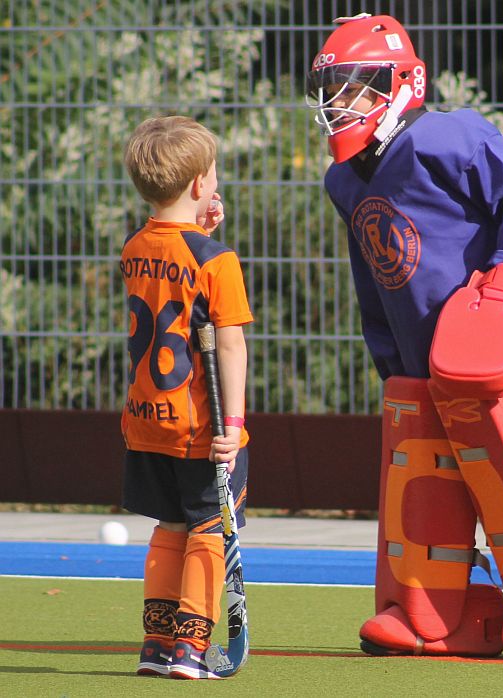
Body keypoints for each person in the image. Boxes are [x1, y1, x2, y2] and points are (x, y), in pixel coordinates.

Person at [306, 13, 503, 658]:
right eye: (332, 91)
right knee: (425, 472)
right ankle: (439, 611)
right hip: (422, 355)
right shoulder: (343, 179)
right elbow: (374, 274)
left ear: (403, 83)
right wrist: (390, 358)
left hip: (492, 347)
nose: (341, 104)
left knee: (499, 466)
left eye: (356, 89)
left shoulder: (448, 137)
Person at [120, 115, 253, 679]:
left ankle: (157, 643)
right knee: (208, 531)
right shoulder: (217, 259)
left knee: (169, 525)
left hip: (146, 419)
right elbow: (230, 344)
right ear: (200, 183)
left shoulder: (133, 246)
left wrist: (199, 226)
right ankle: (193, 647)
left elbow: (174, 268)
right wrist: (235, 426)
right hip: (201, 424)